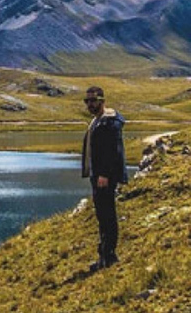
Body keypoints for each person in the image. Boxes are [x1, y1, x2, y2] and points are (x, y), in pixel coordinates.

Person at [81, 86, 127, 271]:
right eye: (87, 101)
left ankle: (109, 256)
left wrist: (104, 174)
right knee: (102, 215)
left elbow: (112, 151)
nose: (90, 104)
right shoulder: (98, 121)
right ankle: (104, 255)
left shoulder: (110, 123)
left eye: (93, 101)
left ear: (102, 101)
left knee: (107, 215)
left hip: (104, 177)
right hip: (98, 176)